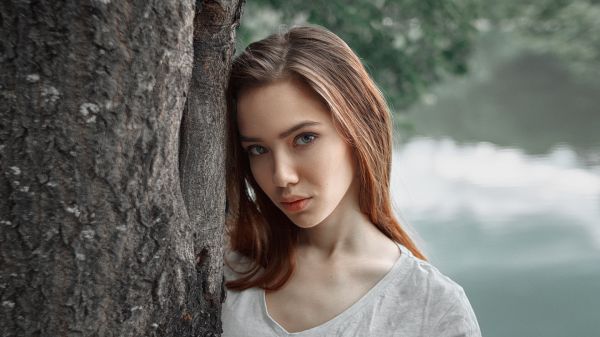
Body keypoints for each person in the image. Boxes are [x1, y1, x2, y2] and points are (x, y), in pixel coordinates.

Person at [221, 24, 481, 337]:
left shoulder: (431, 307)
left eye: (304, 138)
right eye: (258, 149)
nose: (282, 176)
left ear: (360, 127)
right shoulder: (222, 268)